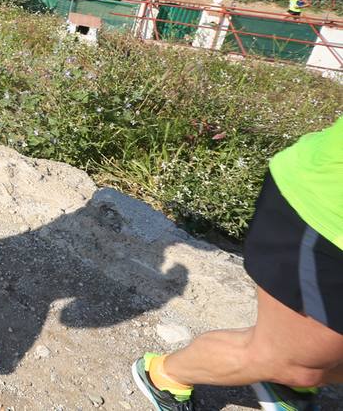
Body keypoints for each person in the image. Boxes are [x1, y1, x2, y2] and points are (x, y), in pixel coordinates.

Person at [131, 116, 343, 411]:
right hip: (322, 215)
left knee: (309, 357)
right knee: (286, 359)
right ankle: (164, 376)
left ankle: (286, 377)